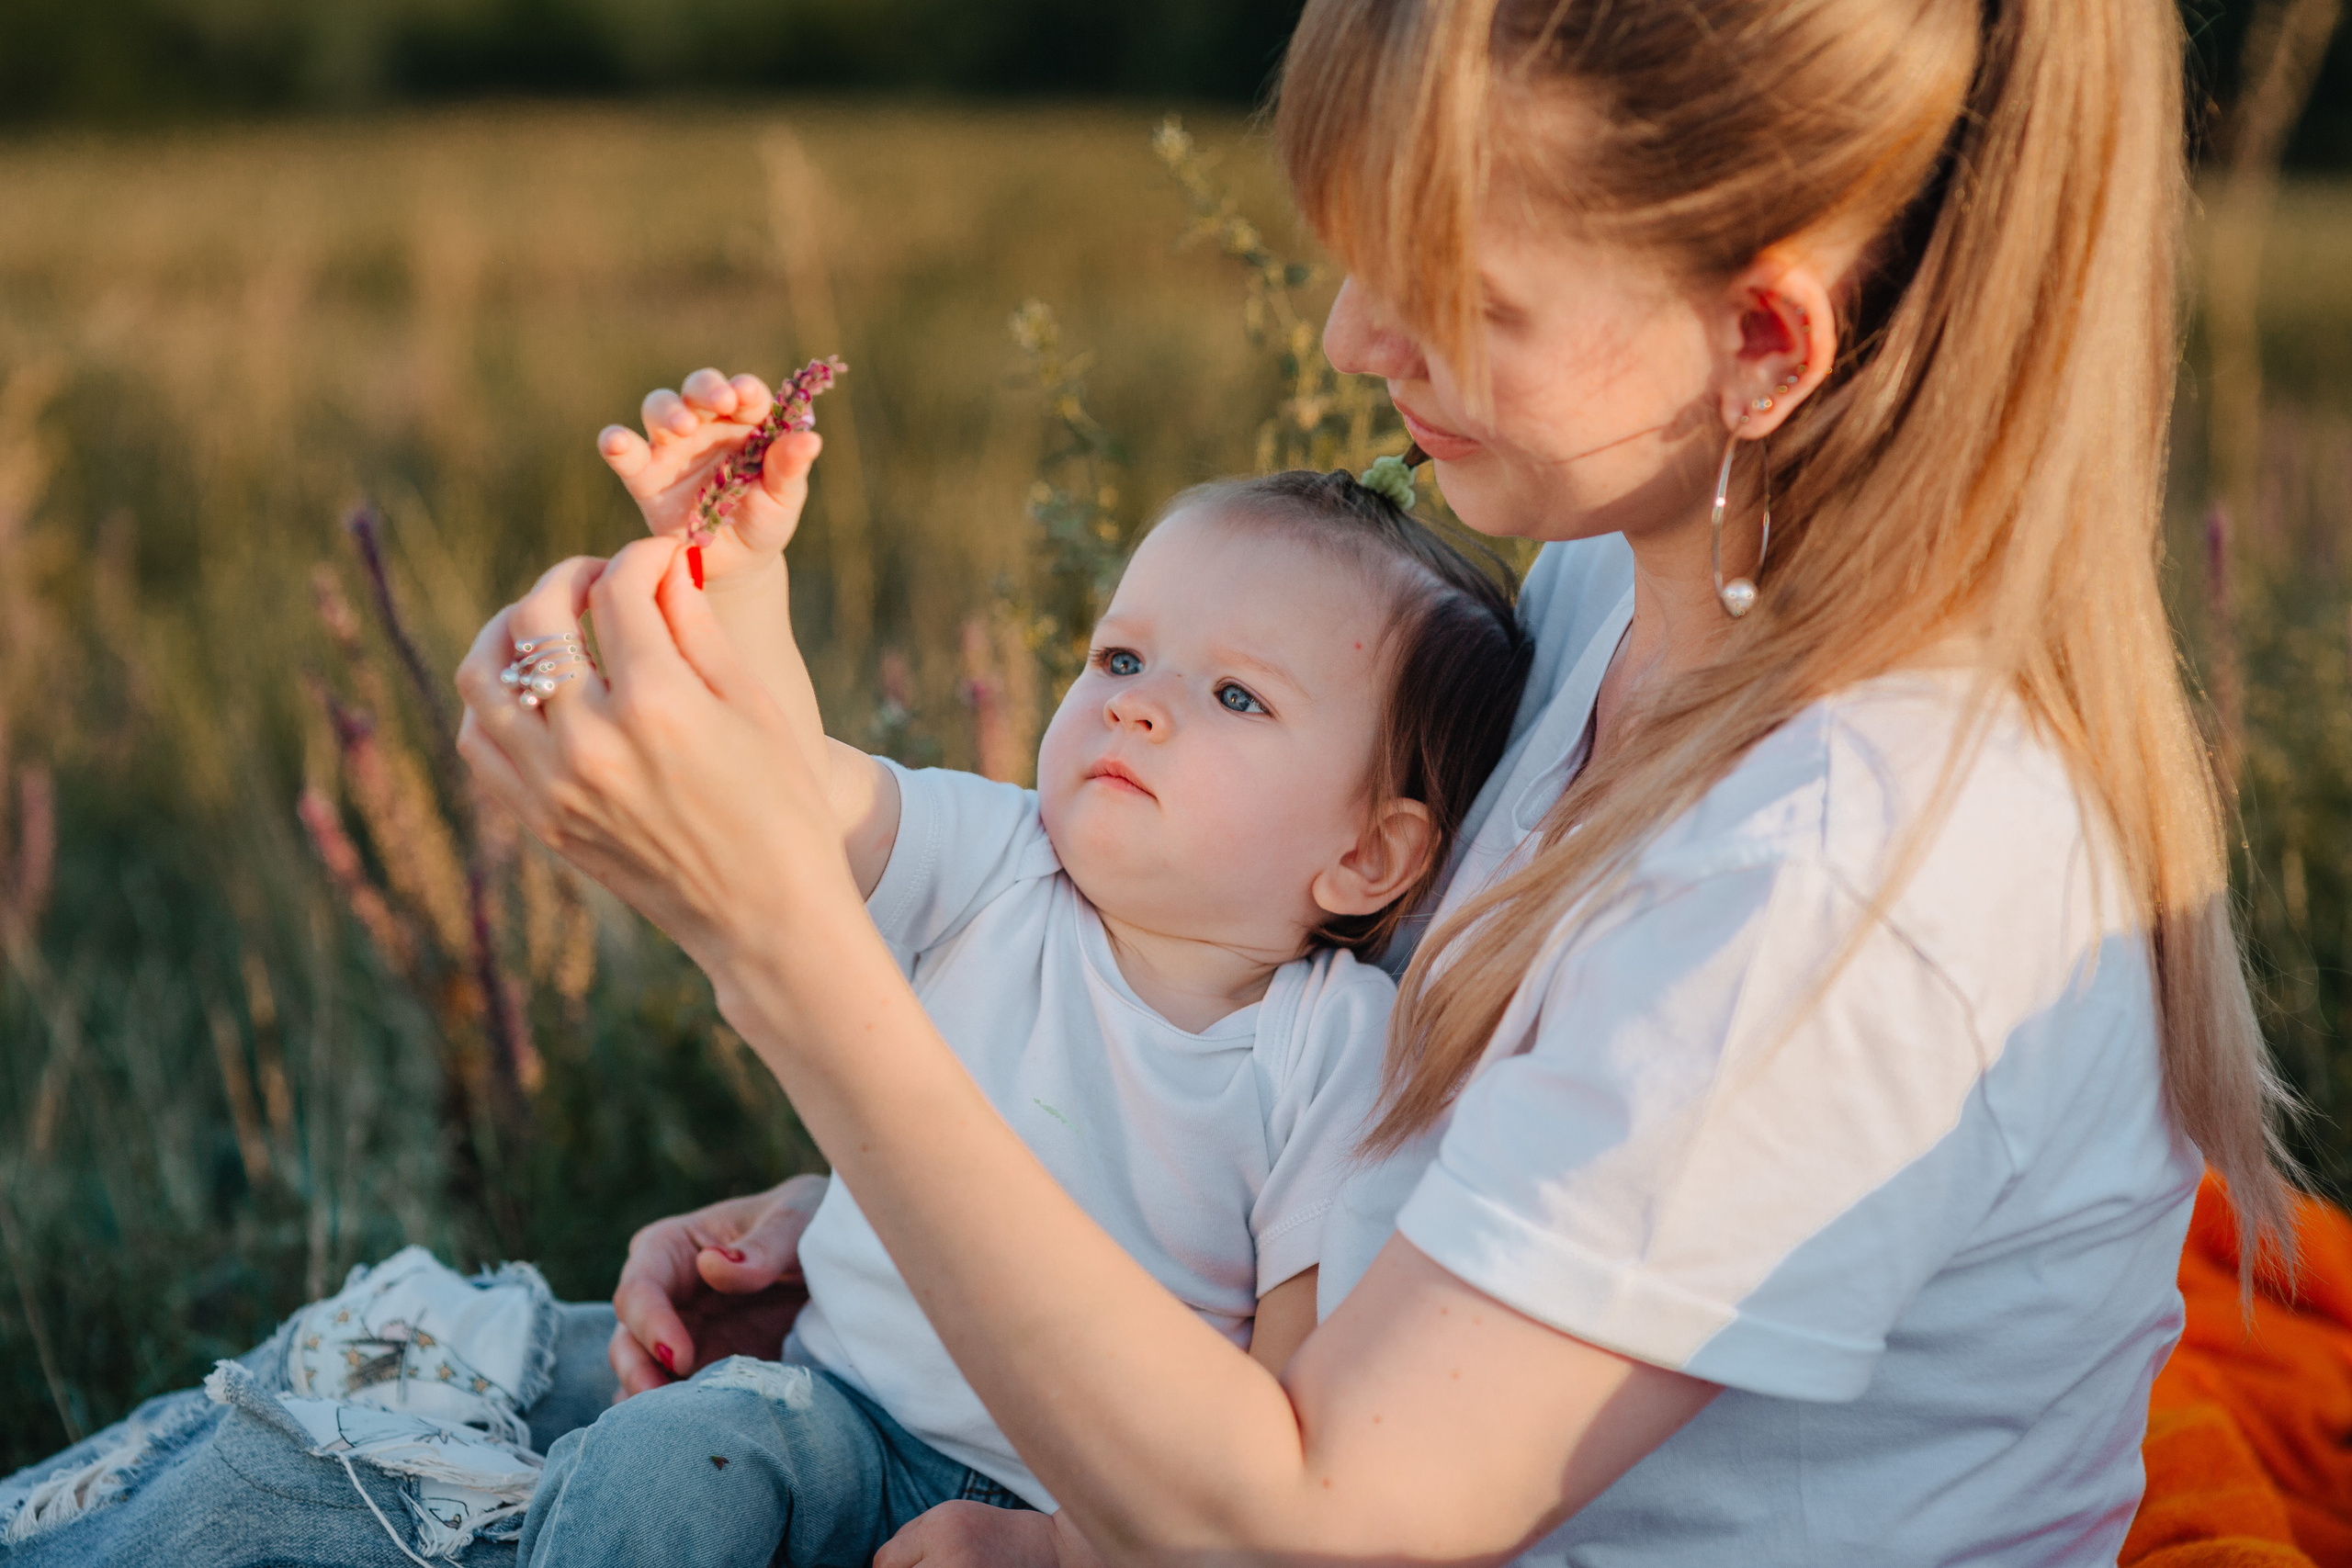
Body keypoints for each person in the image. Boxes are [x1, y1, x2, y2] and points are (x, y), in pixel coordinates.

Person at [454, 0, 2298, 1563]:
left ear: (1760, 341)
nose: (1346, 332)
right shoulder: (1608, 590)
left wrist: (774, 943)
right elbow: (1312, 1068)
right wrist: (911, 1211)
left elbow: (1313, 1520)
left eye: (1444, 285)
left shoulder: (1847, 861)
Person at [507, 403, 1528, 1565]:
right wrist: (731, 578)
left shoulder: (1335, 1051)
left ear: (1366, 857)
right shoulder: (998, 863)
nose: (1136, 703)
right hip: (829, 1411)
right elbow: (783, 794)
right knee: (672, 1460)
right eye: (1120, 657)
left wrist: (1060, 1548)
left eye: (1236, 697)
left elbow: (1292, 1400)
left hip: (1098, 1501)